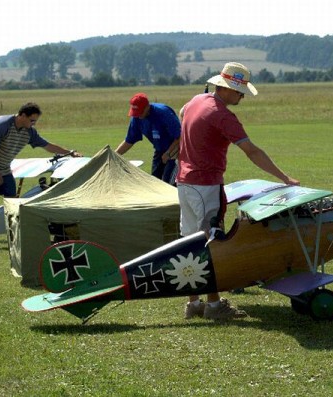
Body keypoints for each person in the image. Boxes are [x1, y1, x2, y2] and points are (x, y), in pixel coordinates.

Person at [177, 62, 300, 320]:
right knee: (212, 243)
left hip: (184, 182)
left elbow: (182, 113)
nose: (242, 96)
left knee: (190, 242)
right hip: (205, 185)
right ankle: (213, 305)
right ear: (226, 88)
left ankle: (193, 303)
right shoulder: (223, 115)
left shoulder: (196, 101)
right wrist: (284, 177)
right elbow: (251, 151)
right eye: (239, 91)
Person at [0, 102, 82, 249]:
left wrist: (70, 153)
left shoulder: (29, 132)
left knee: (12, 202)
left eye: (35, 121)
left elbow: (47, 146)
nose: (33, 123)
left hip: (4, 167)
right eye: (32, 120)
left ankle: (13, 236)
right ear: (22, 115)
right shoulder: (3, 124)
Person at [116, 93, 181, 185]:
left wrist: (168, 153)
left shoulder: (164, 113)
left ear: (147, 107)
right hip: (159, 149)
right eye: (135, 113)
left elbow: (180, 136)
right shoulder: (136, 118)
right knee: (154, 181)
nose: (138, 116)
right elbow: (129, 141)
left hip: (176, 147)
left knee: (168, 182)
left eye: (140, 112)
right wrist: (114, 154)